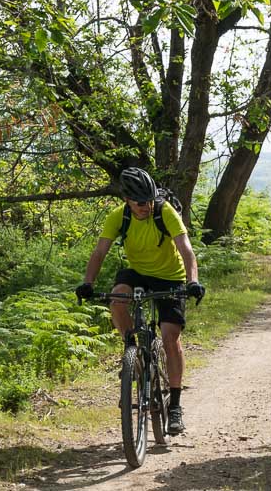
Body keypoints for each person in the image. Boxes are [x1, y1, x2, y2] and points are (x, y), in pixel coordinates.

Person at [75, 167, 205, 435]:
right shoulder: (118, 217)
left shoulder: (164, 211)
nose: (145, 206)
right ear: (127, 200)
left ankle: (176, 405)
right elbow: (100, 251)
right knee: (117, 298)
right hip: (138, 273)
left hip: (170, 276)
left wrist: (192, 282)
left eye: (149, 200)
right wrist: (88, 283)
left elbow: (186, 249)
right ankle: (131, 350)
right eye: (139, 202)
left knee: (170, 337)